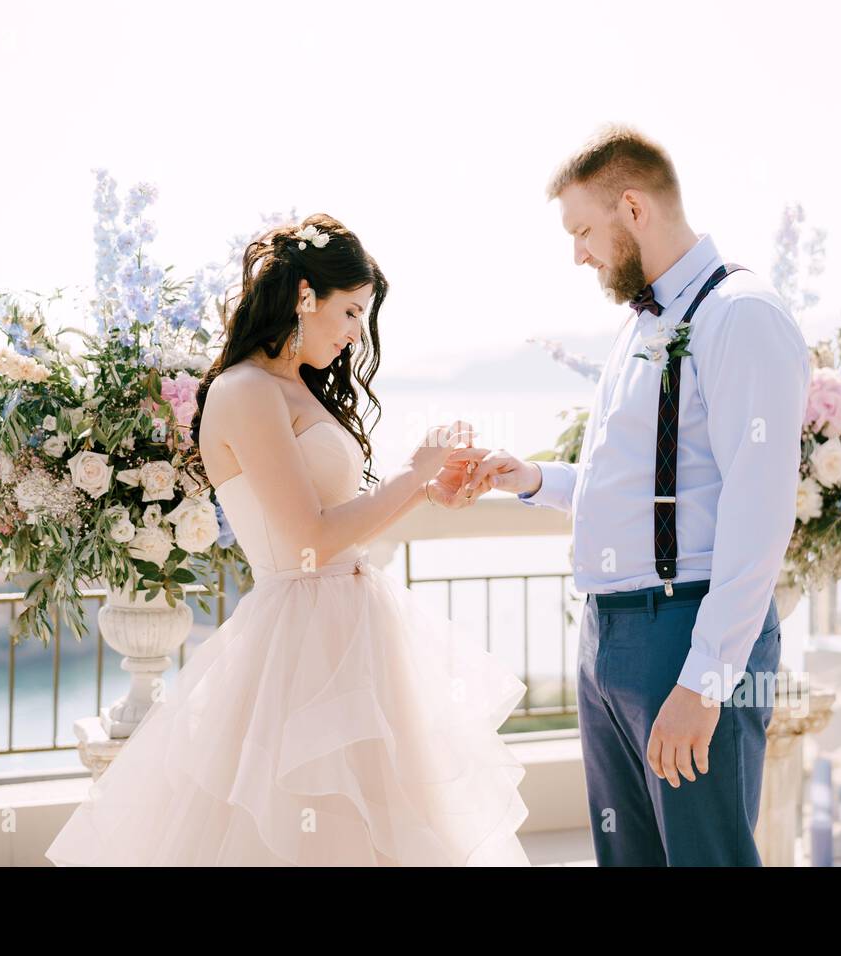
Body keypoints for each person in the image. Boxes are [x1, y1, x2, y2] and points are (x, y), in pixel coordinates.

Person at [45, 214, 529, 867]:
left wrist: (427, 488)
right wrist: (413, 473)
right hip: (301, 644)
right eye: (351, 311)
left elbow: (342, 522)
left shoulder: (293, 386)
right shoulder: (245, 391)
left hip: (355, 630)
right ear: (306, 296)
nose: (358, 333)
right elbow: (308, 539)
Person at [455, 124, 810, 865]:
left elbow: (759, 514)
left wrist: (704, 681)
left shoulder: (739, 315)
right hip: (608, 640)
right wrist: (533, 479)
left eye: (583, 230)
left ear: (633, 208)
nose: (577, 253)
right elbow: (652, 494)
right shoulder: (640, 323)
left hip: (681, 637)